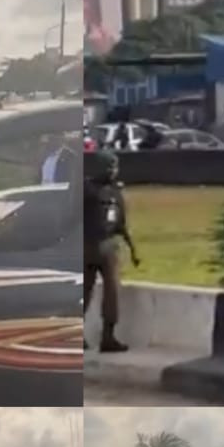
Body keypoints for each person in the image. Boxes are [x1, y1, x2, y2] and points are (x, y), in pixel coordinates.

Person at [84, 149, 139, 352]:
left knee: (108, 292)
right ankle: (90, 337)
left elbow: (121, 224)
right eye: (110, 166)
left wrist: (132, 250)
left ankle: (107, 336)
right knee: (92, 291)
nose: (114, 170)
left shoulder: (111, 191)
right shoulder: (88, 189)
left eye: (114, 166)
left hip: (104, 245)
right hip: (94, 245)